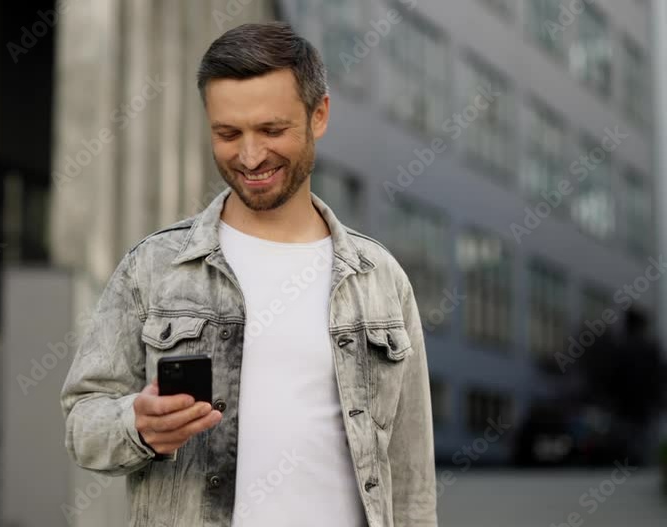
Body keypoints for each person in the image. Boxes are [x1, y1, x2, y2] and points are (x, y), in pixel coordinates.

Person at [61, 22, 437, 527]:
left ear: (318, 115)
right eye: (228, 133)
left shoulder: (380, 279)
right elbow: (83, 421)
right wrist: (137, 425)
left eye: (272, 130)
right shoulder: (152, 267)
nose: (250, 156)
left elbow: (411, 476)